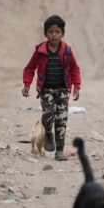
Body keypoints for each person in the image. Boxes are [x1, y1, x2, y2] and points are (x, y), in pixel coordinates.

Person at [22, 15, 81, 161]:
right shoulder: (40, 51)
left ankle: (59, 151)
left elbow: (74, 69)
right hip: (46, 90)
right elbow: (30, 68)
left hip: (62, 90)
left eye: (57, 32)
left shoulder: (67, 51)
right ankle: (48, 132)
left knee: (61, 120)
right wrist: (27, 84)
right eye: (50, 32)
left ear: (62, 34)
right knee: (48, 116)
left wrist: (77, 87)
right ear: (45, 33)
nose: (54, 35)